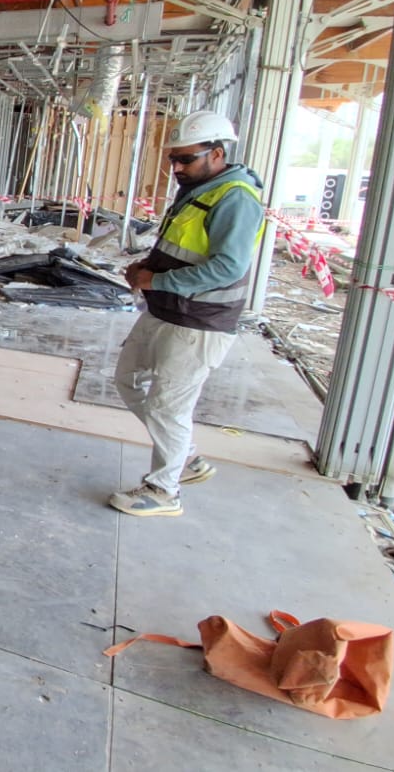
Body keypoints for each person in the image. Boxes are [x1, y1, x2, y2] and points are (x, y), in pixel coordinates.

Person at [109, 110, 265, 518]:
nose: (176, 168)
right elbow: (184, 248)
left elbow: (227, 267)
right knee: (127, 380)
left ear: (217, 153)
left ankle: (164, 490)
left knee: (168, 407)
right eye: (173, 160)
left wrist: (156, 280)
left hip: (199, 320)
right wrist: (147, 267)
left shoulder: (234, 199)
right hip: (166, 309)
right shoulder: (200, 190)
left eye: (185, 160)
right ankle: (186, 458)